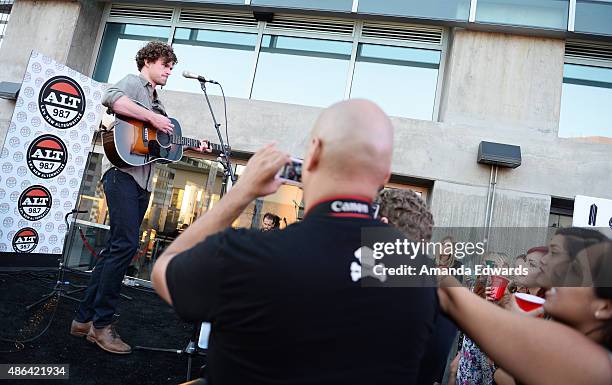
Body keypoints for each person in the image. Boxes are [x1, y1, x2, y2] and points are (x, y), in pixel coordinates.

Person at [151, 99, 438, 385]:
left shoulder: (244, 254)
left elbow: (164, 269)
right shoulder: (419, 279)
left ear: (313, 153)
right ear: (384, 176)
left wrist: (241, 192)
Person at [70, 41, 210, 354]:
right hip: (122, 176)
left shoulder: (157, 101)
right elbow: (111, 99)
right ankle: (101, 326)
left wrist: (187, 147)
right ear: (148, 61)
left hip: (142, 181)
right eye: (166, 65)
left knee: (114, 250)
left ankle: (82, 320)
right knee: (126, 246)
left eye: (172, 67)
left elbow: (159, 148)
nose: (169, 71)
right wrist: (152, 118)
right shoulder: (134, 83)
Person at [438, 232, 612, 385]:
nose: (552, 267)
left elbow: (454, 301)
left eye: (573, 271)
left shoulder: (597, 366)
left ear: (604, 307)